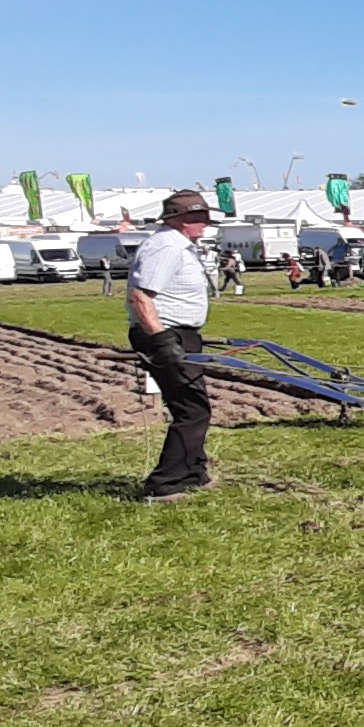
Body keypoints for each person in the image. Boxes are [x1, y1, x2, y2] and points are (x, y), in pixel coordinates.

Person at [126, 189, 220, 502]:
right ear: (177, 219)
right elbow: (141, 297)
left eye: (205, 216)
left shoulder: (181, 246)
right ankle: (165, 483)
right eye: (197, 216)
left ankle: (194, 472)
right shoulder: (165, 247)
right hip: (165, 334)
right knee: (191, 409)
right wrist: (162, 340)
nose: (204, 222)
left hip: (181, 334)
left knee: (195, 406)